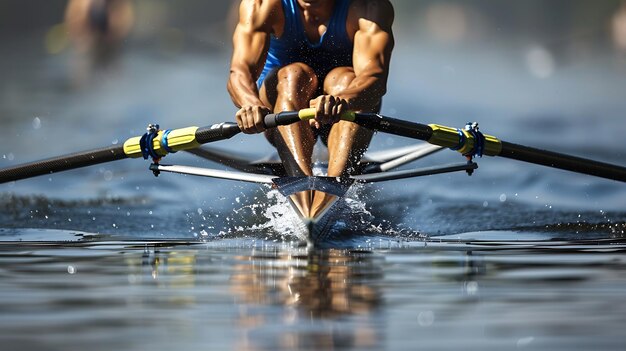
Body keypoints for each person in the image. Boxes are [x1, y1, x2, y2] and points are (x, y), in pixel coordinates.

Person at [227, 0, 394, 217]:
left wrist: (341, 100)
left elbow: (375, 79)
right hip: (282, 110)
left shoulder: (367, 7)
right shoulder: (263, 4)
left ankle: (333, 190)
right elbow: (239, 73)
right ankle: (300, 185)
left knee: (343, 80)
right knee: (294, 76)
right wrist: (250, 104)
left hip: (344, 112)